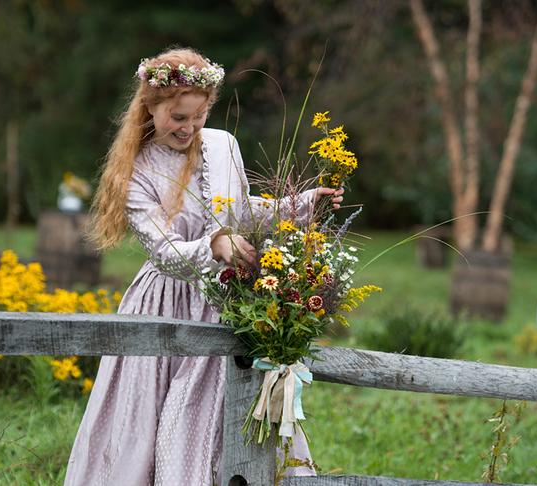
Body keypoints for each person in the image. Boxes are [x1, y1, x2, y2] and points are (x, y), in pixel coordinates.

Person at [64, 47, 344, 485]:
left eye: (198, 116)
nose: (189, 128)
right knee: (160, 415)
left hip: (226, 299)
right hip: (167, 304)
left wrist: (300, 205)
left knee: (225, 408)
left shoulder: (222, 144)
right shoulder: (136, 170)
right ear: (151, 107)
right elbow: (165, 252)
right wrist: (214, 246)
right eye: (178, 117)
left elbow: (241, 211)